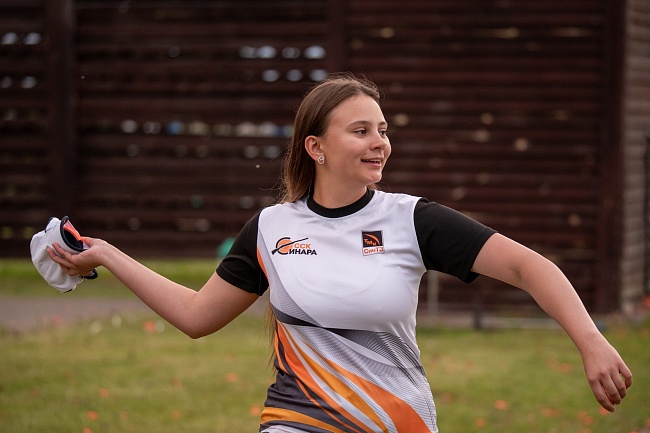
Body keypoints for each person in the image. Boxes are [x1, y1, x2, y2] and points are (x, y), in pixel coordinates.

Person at [47, 74, 632, 433]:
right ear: (316, 147)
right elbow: (198, 316)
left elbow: (530, 266)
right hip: (298, 419)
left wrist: (591, 341)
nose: (380, 143)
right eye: (361, 131)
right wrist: (108, 254)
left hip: (399, 420)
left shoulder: (412, 219)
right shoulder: (270, 229)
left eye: (383, 129)